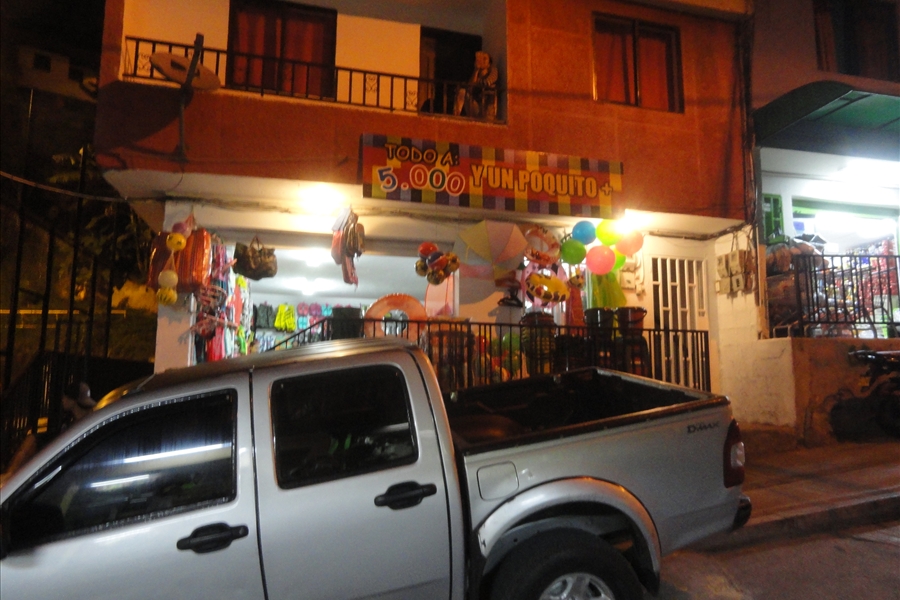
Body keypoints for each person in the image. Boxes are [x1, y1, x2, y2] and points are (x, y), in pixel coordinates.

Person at [0, 381, 96, 485]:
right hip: (60, 450)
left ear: (73, 401)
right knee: (32, 440)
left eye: (65, 397)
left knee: (32, 443)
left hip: (62, 455)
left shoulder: (81, 422)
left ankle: (10, 477)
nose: (62, 400)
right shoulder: (75, 418)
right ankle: (10, 475)